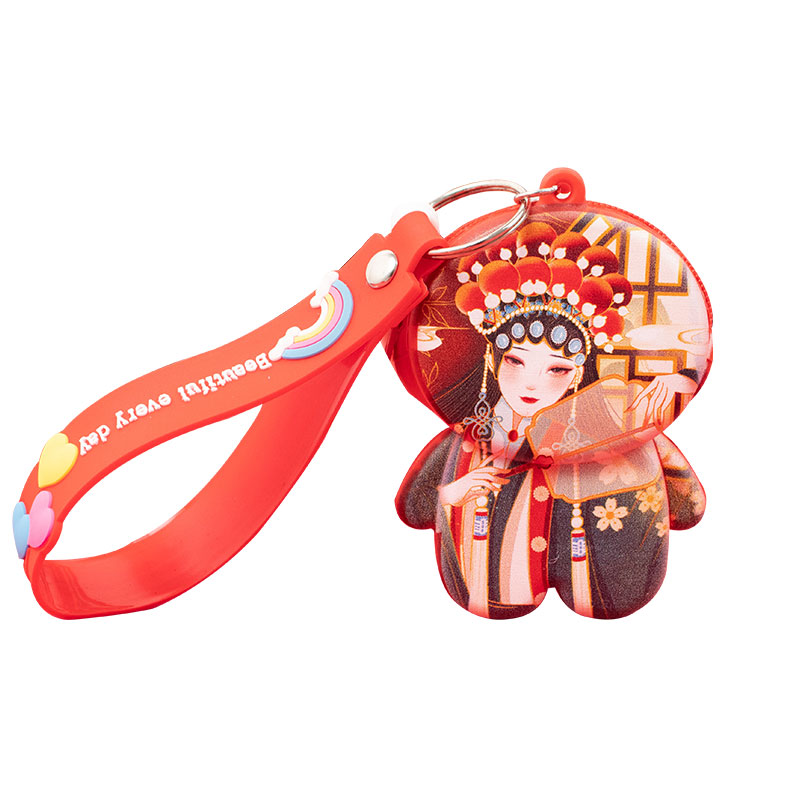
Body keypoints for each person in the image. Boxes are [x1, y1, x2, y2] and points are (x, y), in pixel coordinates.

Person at [396, 221, 707, 619]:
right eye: (515, 361)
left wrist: (678, 377)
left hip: (597, 580)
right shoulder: (474, 431)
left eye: (556, 370)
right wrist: (453, 493)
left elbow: (688, 504)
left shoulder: (609, 420)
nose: (532, 383)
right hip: (491, 585)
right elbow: (416, 506)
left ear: (577, 374)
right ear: (492, 358)